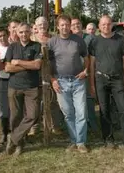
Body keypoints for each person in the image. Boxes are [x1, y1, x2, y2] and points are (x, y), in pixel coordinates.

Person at [89, 15, 124, 149]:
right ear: (99, 25)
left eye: (108, 24)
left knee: (123, 109)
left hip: (117, 79)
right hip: (100, 79)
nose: (106, 26)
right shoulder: (94, 41)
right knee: (104, 110)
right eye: (103, 24)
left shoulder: (120, 40)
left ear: (111, 25)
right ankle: (108, 139)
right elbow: (92, 64)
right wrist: (92, 84)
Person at [49, 15, 89, 153]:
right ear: (57, 26)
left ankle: (81, 142)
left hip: (78, 81)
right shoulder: (52, 42)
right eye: (62, 25)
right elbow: (47, 63)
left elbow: (86, 57)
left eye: (67, 24)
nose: (65, 27)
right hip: (61, 82)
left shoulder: (78, 40)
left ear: (70, 25)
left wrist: (85, 70)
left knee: (81, 112)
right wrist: (53, 80)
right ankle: (74, 140)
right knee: (68, 113)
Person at [5, 23, 42, 156]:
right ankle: (19, 145)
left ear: (30, 32)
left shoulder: (36, 46)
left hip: (31, 87)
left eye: (26, 32)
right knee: (15, 117)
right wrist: (28, 65)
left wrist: (19, 62)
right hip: (14, 87)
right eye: (21, 32)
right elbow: (8, 68)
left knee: (32, 116)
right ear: (17, 33)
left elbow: (37, 65)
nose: (23, 34)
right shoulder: (12, 46)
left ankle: (13, 138)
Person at [31, 16, 64, 135]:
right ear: (36, 25)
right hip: (36, 74)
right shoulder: (32, 39)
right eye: (40, 24)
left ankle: (54, 125)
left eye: (44, 24)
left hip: (52, 72)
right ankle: (35, 126)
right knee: (36, 100)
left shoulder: (54, 39)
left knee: (53, 100)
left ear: (48, 25)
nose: (42, 26)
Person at [71, 17, 98, 132]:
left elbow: (94, 56)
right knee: (75, 102)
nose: (76, 26)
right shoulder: (69, 39)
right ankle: (78, 126)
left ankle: (92, 123)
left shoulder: (90, 38)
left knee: (89, 98)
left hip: (88, 73)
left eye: (78, 24)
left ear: (82, 25)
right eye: (73, 25)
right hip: (73, 75)